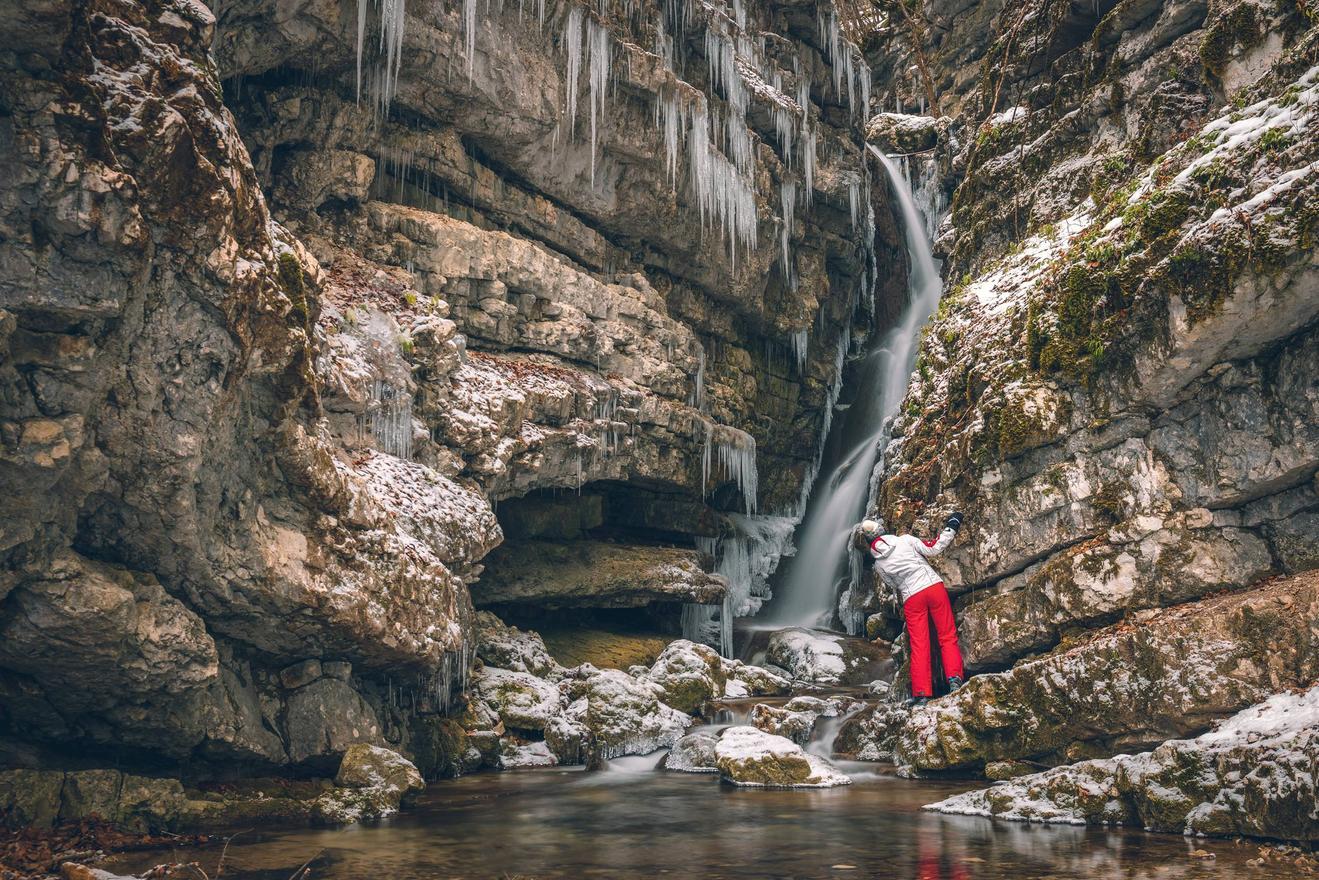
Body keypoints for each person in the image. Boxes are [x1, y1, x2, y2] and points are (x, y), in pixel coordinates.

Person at [855, 513, 966, 706]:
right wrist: (952, 525)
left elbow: (892, 584)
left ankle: (922, 693)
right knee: (947, 635)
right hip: (932, 587)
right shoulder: (905, 540)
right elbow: (934, 548)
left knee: (919, 645)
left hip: (912, 598)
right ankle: (955, 681)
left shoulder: (879, 565)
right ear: (883, 531)